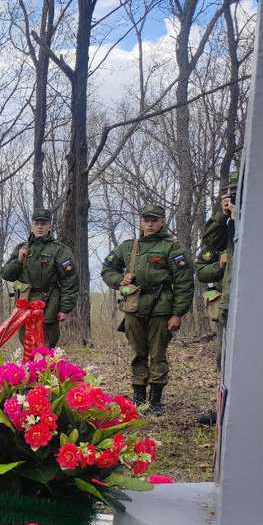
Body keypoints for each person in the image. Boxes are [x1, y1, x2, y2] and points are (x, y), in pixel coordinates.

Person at [101, 204, 195, 414]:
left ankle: (155, 401)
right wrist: (120, 280)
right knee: (138, 354)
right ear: (141, 221)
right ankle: (138, 398)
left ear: (162, 221)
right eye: (146, 220)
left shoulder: (172, 248)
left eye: (154, 220)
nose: (150, 224)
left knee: (158, 355)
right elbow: (107, 269)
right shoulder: (128, 247)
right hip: (133, 307)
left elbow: (184, 283)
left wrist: (177, 314)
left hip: (161, 309)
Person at [0, 208, 77, 348]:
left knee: (46, 345)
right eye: (37, 223)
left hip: (48, 305)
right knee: (26, 344)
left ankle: (46, 363)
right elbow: (7, 275)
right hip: (25, 304)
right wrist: (19, 260)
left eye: (44, 223)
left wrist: (65, 308)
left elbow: (70, 280)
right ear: (32, 226)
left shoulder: (59, 250)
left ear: (50, 226)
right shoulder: (22, 248)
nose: (40, 227)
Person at [196, 174, 237, 426]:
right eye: (229, 192)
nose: (233, 197)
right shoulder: (227, 223)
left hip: (255, 301)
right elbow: (210, 241)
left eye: (237, 191)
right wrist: (224, 215)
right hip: (228, 301)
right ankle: (224, 409)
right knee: (224, 357)